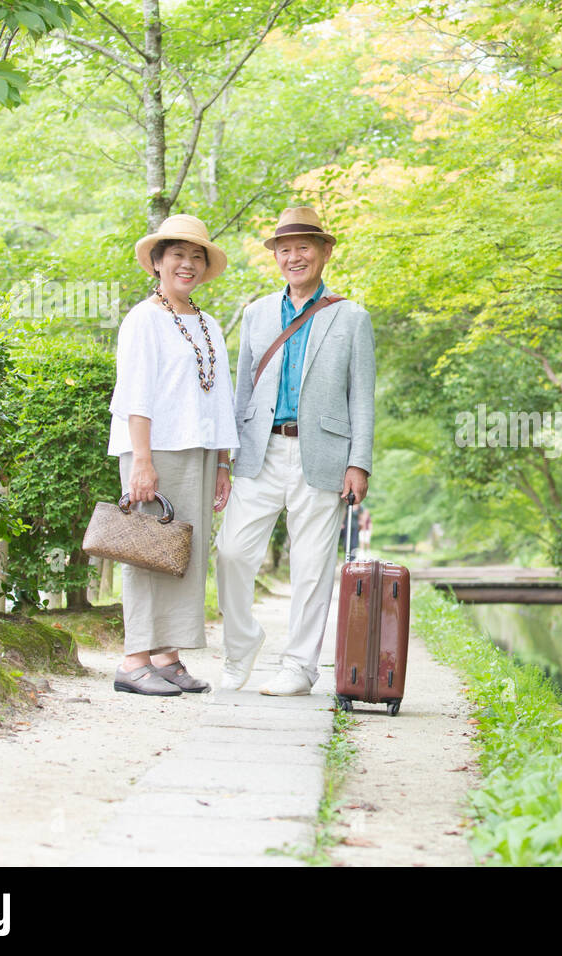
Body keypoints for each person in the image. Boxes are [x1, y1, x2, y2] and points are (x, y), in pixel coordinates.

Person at [215, 206, 375, 695]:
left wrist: (359, 462)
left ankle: (299, 667)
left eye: (304, 246)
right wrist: (226, 458)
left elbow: (362, 396)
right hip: (259, 452)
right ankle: (242, 646)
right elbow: (242, 391)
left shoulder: (351, 316)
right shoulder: (257, 313)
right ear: (276, 257)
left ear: (325, 251)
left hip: (323, 454)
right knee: (231, 553)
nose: (294, 256)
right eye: (285, 249)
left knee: (311, 566)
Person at [107, 214, 238, 695]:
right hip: (155, 449)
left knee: (184, 553)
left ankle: (167, 655)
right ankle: (133, 660)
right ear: (158, 263)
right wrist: (141, 460)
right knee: (145, 552)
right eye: (178, 255)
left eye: (197, 256)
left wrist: (223, 463)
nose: (188, 264)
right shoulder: (144, 319)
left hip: (200, 451)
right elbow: (135, 393)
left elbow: (220, 397)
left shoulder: (207, 325)